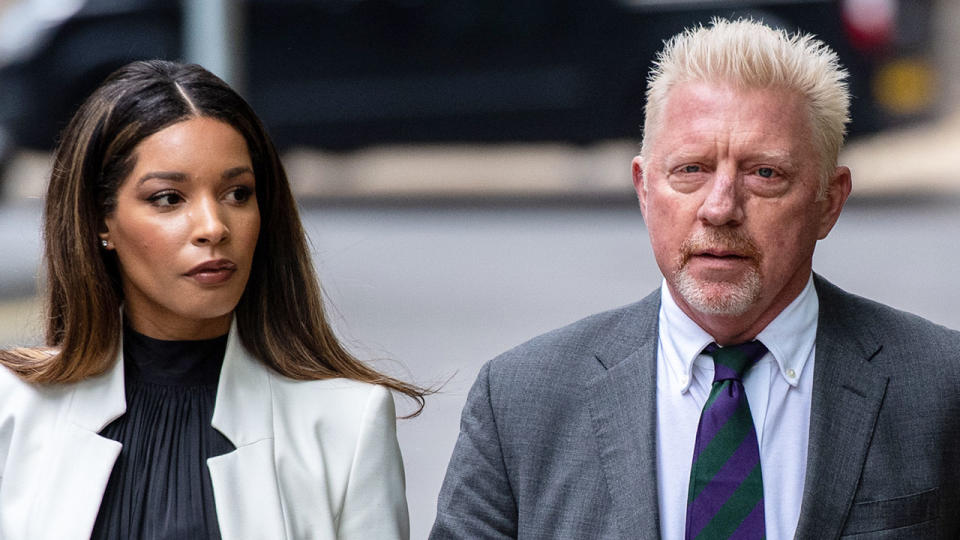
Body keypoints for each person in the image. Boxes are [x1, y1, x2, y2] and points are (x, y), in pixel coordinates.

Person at [431, 18, 960, 539]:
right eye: (691, 170)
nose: (720, 207)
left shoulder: (942, 389)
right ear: (643, 189)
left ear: (830, 201)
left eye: (765, 174)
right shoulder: (521, 402)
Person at [0, 60, 425, 540]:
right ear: (101, 221)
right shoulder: (12, 408)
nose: (213, 227)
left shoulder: (347, 420)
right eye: (168, 198)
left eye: (237, 193)